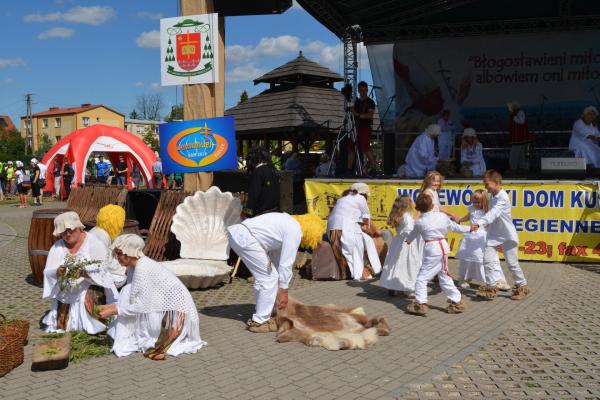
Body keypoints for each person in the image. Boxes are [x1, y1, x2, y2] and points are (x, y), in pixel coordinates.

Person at [98, 234, 206, 359]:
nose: (117, 258)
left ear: (129, 253)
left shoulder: (143, 268)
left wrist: (114, 310)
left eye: (119, 254)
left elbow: (141, 305)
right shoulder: (135, 267)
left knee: (127, 292)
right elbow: (135, 298)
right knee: (127, 291)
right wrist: (111, 307)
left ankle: (135, 336)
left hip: (176, 312)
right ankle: (125, 334)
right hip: (162, 306)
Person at [42, 211, 118, 333]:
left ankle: (94, 323)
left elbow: (103, 271)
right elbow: (47, 271)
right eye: (63, 231)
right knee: (61, 326)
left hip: (92, 287)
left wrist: (84, 273)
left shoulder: (94, 243)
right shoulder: (58, 246)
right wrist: (57, 272)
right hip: (67, 290)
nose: (67, 234)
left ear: (79, 227)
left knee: (92, 298)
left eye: (70, 230)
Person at [227, 212, 302, 333]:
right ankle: (260, 321)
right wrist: (283, 290)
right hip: (245, 238)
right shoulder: (295, 231)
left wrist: (279, 285)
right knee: (269, 277)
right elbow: (286, 264)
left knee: (265, 276)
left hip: (238, 233)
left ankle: (263, 310)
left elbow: (276, 261)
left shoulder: (286, 223)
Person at [405, 193, 470, 316]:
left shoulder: (420, 222)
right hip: (443, 248)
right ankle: (457, 301)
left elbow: (412, 235)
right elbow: (455, 227)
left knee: (421, 278)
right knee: (444, 275)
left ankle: (420, 303)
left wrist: (407, 241)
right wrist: (469, 228)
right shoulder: (441, 216)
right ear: (432, 205)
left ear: (417, 208)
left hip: (432, 250)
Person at [471, 170, 530, 300]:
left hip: (507, 234)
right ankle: (491, 287)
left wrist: (479, 223)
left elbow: (493, 214)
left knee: (512, 263)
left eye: (487, 184)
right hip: (493, 234)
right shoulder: (491, 195)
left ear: (497, 183)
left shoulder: (503, 197)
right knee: (487, 260)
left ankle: (522, 286)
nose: (485, 187)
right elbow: (487, 211)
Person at [455, 189, 510, 290]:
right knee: (468, 259)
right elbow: (469, 216)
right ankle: (464, 278)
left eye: (478, 202)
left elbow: (493, 219)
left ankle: (497, 280)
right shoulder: (472, 208)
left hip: (483, 237)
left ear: (484, 201)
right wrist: (460, 220)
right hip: (471, 237)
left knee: (489, 258)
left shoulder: (489, 210)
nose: (475, 204)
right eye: (474, 202)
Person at [327, 182, 382, 281]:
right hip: (347, 230)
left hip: (332, 233)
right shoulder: (360, 198)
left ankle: (360, 272)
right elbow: (366, 223)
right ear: (363, 194)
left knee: (358, 247)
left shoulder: (341, 200)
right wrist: (375, 231)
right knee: (362, 245)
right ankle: (364, 273)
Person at [379, 195, 421, 297]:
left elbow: (407, 225)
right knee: (408, 264)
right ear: (407, 204)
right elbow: (409, 228)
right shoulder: (407, 215)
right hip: (407, 242)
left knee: (395, 264)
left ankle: (392, 286)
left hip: (397, 242)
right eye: (411, 201)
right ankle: (407, 288)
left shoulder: (399, 214)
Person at [88, 204, 128, 288]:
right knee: (123, 278)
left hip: (93, 270)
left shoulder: (96, 230)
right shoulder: (103, 235)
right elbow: (104, 263)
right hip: (94, 274)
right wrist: (123, 268)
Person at [243, 146, 280, 218]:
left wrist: (247, 213)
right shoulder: (273, 169)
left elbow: (253, 195)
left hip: (261, 215)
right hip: (274, 212)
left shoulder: (258, 172)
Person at [348, 81, 377, 173]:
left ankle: (374, 168)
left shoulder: (370, 102)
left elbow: (370, 115)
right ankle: (349, 169)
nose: (363, 92)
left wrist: (357, 114)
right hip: (355, 127)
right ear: (358, 91)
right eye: (361, 90)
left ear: (367, 90)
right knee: (351, 148)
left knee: (366, 147)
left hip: (365, 127)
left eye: (365, 90)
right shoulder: (356, 102)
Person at [506, 100, 533, 174]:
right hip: (518, 138)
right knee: (520, 154)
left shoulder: (520, 112)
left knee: (515, 154)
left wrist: (514, 117)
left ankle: (513, 168)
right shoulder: (516, 113)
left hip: (519, 138)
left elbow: (521, 122)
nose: (508, 109)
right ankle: (522, 168)